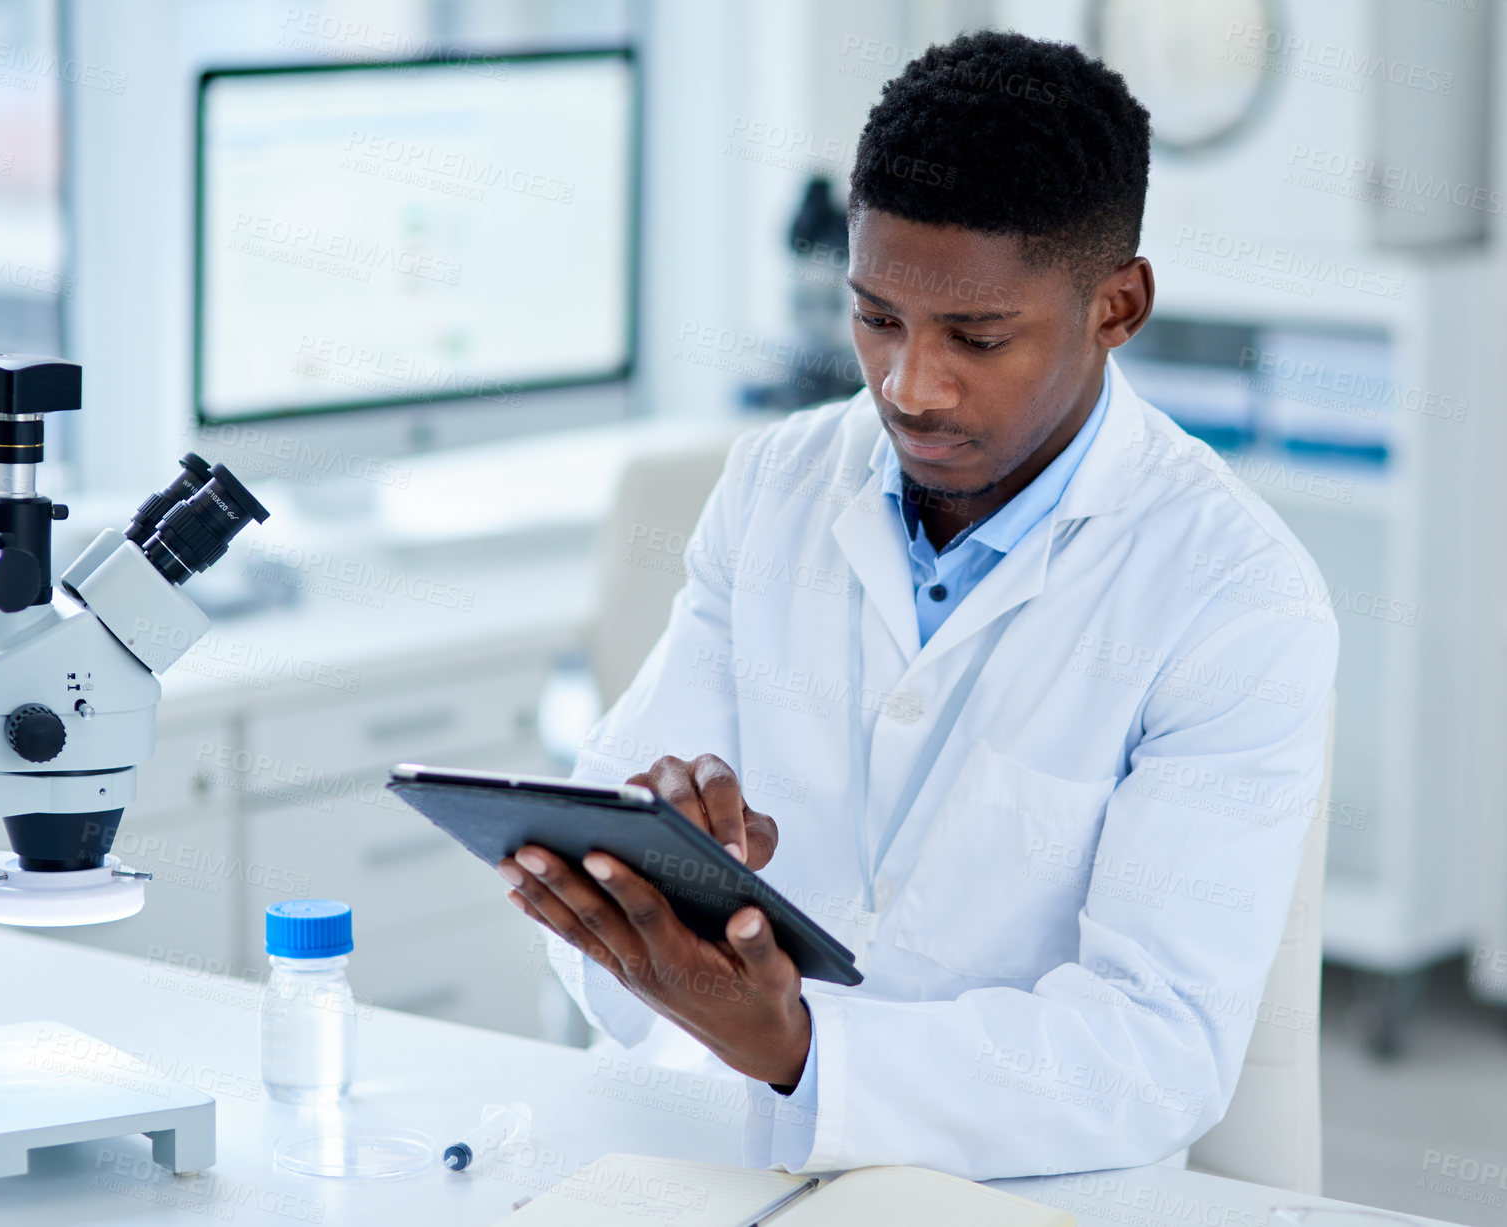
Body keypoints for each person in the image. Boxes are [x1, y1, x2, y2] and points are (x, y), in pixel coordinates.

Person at [497, 29, 1338, 1178]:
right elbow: (614, 819)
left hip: (1032, 1188)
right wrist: (647, 886)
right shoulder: (777, 485)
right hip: (727, 1156)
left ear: (1116, 306)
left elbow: (1157, 1047)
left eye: (975, 338)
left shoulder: (1235, 596)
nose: (907, 387)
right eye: (875, 317)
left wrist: (803, 1049)